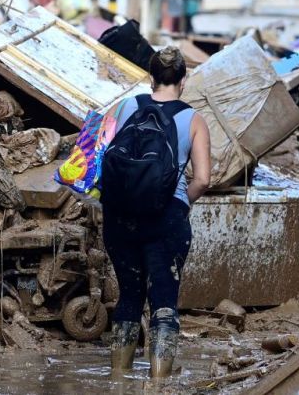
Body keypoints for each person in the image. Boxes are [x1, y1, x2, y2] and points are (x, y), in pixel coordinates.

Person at [101, 47, 211, 378]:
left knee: (129, 297)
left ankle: (118, 378)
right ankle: (159, 382)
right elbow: (204, 179)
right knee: (164, 300)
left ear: (151, 76)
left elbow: (100, 154)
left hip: (119, 217)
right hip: (166, 219)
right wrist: (180, 203)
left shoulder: (125, 107)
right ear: (183, 79)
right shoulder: (193, 120)